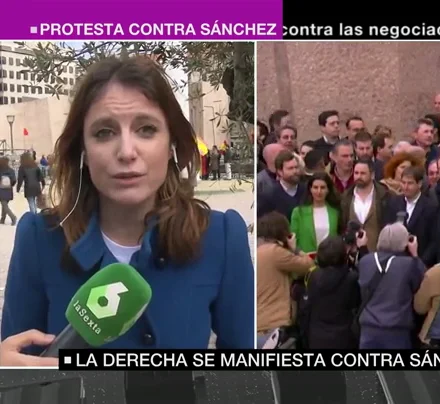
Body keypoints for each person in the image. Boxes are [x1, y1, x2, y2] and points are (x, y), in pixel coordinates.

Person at [0, 56, 255, 366]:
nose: (126, 152)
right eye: (104, 133)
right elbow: (16, 362)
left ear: (172, 143)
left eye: (146, 129)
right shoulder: (39, 239)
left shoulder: (220, 237)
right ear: (81, 149)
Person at [357, 222, 425, 349]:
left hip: (369, 327)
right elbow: (423, 281)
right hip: (396, 328)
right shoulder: (408, 265)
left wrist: (362, 248)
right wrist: (415, 254)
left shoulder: (365, 261)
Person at [256, 212, 314, 348]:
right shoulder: (276, 252)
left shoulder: (258, 250)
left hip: (260, 324)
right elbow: (308, 266)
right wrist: (295, 248)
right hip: (275, 325)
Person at [302, 236, 360, 349]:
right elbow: (356, 303)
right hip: (343, 338)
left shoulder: (313, 276)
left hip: (317, 337)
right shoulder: (351, 278)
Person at [290, 172, 341, 254]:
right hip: (306, 260)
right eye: (315, 187)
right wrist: (301, 254)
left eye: (323, 187)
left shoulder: (335, 212)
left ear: (328, 190)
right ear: (310, 189)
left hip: (329, 261)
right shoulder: (298, 212)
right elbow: (292, 240)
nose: (319, 191)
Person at [0, 156, 17, 226]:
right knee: (4, 204)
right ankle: (2, 219)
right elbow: (14, 180)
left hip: (1, 189)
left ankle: (13, 217)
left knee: (4, 205)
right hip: (8, 190)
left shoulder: (0, 170)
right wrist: (10, 185)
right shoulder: (11, 170)